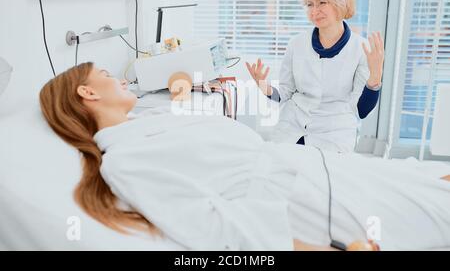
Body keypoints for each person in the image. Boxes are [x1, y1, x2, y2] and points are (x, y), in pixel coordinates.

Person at [39, 63, 450, 251]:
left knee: (432, 180)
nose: (121, 78)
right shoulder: (124, 159)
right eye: (107, 76)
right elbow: (212, 225)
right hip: (307, 197)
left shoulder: (145, 125)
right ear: (87, 93)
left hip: (319, 167)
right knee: (436, 212)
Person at [246, 0, 384, 152]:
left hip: (334, 132)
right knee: (276, 170)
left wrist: (374, 78)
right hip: (293, 127)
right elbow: (285, 93)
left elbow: (361, 110)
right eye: (309, 4)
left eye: (322, 2)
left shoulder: (361, 48)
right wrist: (266, 88)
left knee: (321, 176)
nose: (314, 11)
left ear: (340, 1)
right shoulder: (296, 44)